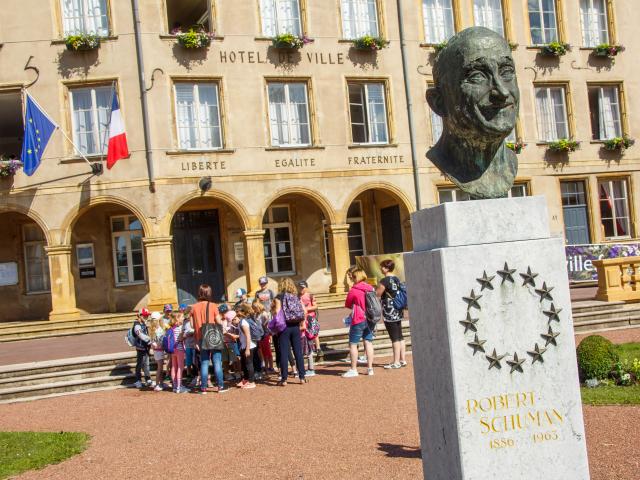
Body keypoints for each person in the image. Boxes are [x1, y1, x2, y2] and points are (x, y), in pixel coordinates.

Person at [426, 27, 520, 199]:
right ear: (438, 102)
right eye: (477, 76)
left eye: (506, 72)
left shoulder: (511, 165)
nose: (502, 92)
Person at [190, 284, 228, 394]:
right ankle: (220, 386)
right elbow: (218, 321)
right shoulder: (213, 306)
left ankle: (203, 387)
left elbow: (192, 325)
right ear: (209, 293)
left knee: (204, 362)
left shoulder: (194, 307)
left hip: (201, 337)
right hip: (213, 335)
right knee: (217, 361)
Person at [343, 268, 375, 378]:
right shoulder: (370, 287)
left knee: (353, 344)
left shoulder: (354, 290)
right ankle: (370, 368)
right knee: (368, 342)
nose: (351, 278)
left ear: (356, 277)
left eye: (352, 276)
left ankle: (353, 369)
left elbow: (347, 304)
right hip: (370, 318)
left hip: (359, 318)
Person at [274, 278, 307, 386]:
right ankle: (302, 377)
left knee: (284, 352)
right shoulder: (295, 296)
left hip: (284, 327)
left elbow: (278, 313)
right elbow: (303, 310)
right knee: (298, 352)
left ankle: (284, 379)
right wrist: (302, 323)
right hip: (295, 326)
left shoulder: (279, 297)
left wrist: (275, 326)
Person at [377, 259, 407, 369]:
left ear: (386, 268)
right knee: (400, 336)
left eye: (382, 267)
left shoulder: (384, 280)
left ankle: (396, 361)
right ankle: (403, 359)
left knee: (394, 337)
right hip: (398, 309)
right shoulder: (396, 278)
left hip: (389, 311)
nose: (380, 268)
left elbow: (378, 293)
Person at [236, 303, 257, 389]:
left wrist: (247, 349)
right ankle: (246, 379)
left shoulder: (244, 322)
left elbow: (248, 336)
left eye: (238, 310)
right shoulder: (242, 321)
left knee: (249, 364)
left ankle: (252, 382)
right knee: (244, 364)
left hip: (249, 346)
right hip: (244, 345)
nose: (236, 311)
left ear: (242, 311)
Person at [298, 280, 322, 358]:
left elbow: (315, 306)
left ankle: (318, 348)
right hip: (302, 318)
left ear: (306, 288)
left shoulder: (310, 296)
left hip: (311, 317)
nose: (301, 289)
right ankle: (306, 348)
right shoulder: (297, 297)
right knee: (304, 333)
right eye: (299, 288)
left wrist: (306, 309)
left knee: (314, 333)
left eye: (303, 288)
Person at [132, 308, 153, 388]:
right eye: (144, 316)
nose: (146, 317)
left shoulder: (144, 323)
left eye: (147, 316)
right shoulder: (137, 325)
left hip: (146, 347)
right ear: (140, 316)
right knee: (140, 364)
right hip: (140, 347)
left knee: (146, 364)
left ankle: (148, 379)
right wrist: (149, 340)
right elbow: (140, 335)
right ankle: (138, 380)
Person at [168, 312, 188, 393]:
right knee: (180, 367)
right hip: (179, 349)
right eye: (182, 317)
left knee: (174, 367)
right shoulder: (180, 328)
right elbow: (181, 338)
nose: (183, 318)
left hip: (173, 350)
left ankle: (175, 386)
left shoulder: (172, 328)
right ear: (177, 319)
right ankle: (179, 387)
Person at [253, 300, 274, 373]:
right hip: (259, 334)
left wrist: (264, 325)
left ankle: (271, 367)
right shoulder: (256, 314)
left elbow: (268, 321)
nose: (254, 309)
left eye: (255, 308)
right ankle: (266, 366)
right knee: (263, 351)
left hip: (265, 333)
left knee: (267, 351)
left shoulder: (264, 313)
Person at [148, 315, 167, 391]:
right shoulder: (158, 329)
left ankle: (161, 383)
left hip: (157, 351)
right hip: (159, 351)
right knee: (159, 368)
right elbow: (160, 342)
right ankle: (157, 384)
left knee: (160, 368)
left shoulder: (153, 329)